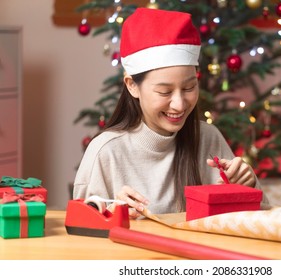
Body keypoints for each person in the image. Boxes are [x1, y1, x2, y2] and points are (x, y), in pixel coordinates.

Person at [73, 7, 268, 219]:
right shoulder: (106, 152)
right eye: (164, 91)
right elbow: (82, 232)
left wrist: (247, 187)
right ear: (132, 86)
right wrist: (112, 215)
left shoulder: (208, 138)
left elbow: (259, 222)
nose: (179, 104)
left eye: (189, 88)